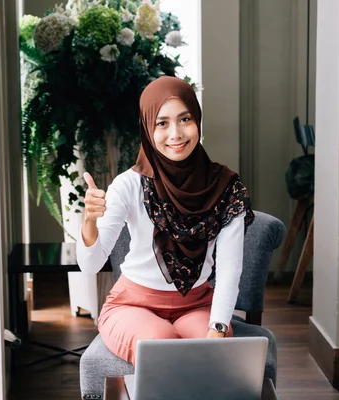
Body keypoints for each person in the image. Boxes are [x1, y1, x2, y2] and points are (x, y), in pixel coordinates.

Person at [76, 76, 254, 366]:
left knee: (213, 360)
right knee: (161, 345)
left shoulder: (227, 187)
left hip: (197, 304)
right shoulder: (129, 185)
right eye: (162, 123)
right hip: (133, 304)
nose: (176, 134)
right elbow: (90, 264)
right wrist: (89, 221)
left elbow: (230, 267)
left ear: (197, 120)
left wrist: (218, 328)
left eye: (185, 119)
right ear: (147, 127)